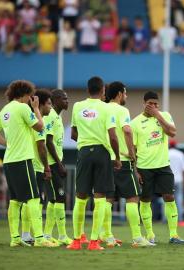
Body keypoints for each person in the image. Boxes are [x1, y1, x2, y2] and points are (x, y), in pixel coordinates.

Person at [0, 80, 57, 247]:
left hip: (9, 160)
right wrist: (35, 109)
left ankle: (15, 238)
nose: (31, 98)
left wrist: (7, 144)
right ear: (25, 94)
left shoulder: (6, 109)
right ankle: (40, 239)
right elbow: (40, 127)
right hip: (22, 160)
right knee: (33, 199)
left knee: (15, 200)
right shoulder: (22, 108)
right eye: (30, 96)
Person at [67, 76, 121, 251]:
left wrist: (85, 140)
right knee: (100, 198)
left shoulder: (77, 106)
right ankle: (94, 242)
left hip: (83, 152)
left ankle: (76, 241)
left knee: (80, 197)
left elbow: (73, 134)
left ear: (87, 89)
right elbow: (113, 136)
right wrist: (117, 157)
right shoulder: (106, 108)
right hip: (101, 153)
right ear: (103, 91)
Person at [100, 81, 154, 248]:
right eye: (125, 93)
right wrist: (131, 152)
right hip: (121, 161)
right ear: (119, 94)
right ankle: (137, 237)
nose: (126, 96)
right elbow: (128, 131)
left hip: (104, 159)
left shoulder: (101, 109)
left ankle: (107, 236)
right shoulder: (122, 110)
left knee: (108, 199)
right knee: (132, 198)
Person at [131, 91, 184, 244]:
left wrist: (158, 115)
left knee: (169, 197)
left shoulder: (165, 116)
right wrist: (136, 171)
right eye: (150, 104)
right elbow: (133, 149)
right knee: (146, 199)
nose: (153, 106)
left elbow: (172, 132)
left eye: (156, 104)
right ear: (144, 104)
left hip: (163, 166)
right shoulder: (135, 123)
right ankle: (150, 235)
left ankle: (173, 235)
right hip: (144, 167)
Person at [21, 89, 53, 245]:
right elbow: (41, 146)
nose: (51, 108)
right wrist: (47, 167)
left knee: (29, 201)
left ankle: (26, 234)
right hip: (35, 166)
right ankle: (31, 235)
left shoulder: (30, 119)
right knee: (35, 201)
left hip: (29, 164)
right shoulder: (38, 122)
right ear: (40, 104)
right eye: (49, 104)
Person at [45, 89, 72, 245]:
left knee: (54, 200)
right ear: (55, 100)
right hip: (53, 164)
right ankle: (62, 236)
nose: (67, 101)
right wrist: (59, 164)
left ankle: (48, 234)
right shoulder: (51, 117)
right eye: (64, 98)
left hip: (55, 163)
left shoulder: (57, 117)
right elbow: (48, 142)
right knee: (59, 198)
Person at [168, 139, 184, 222]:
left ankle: (166, 219)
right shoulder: (180, 154)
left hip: (168, 180)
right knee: (179, 199)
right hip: (179, 179)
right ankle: (180, 219)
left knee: (167, 200)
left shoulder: (166, 153)